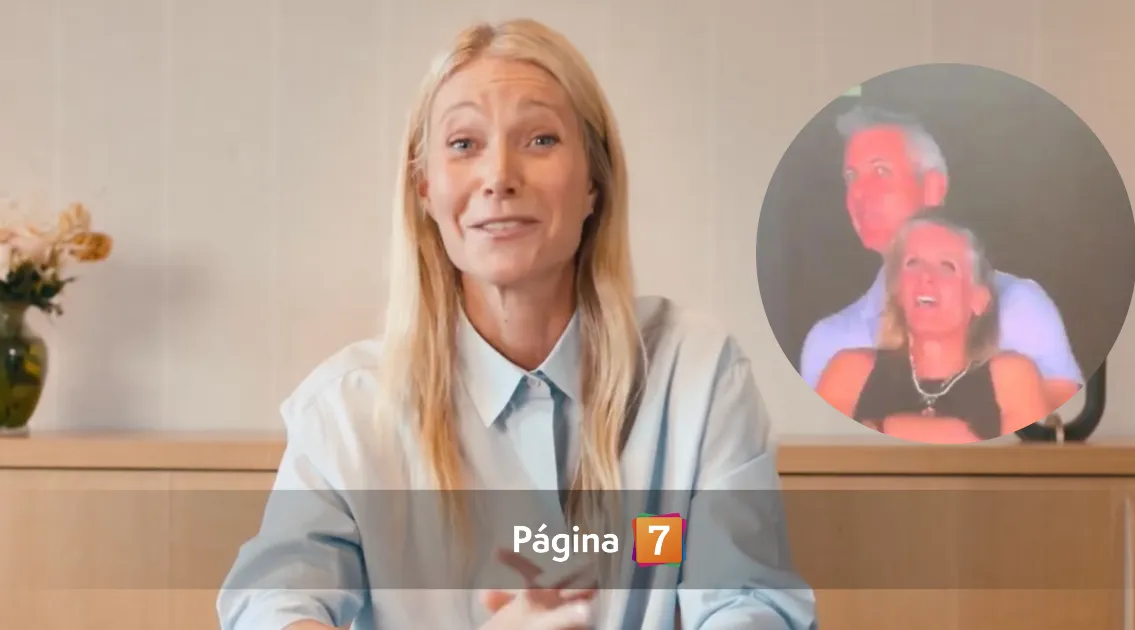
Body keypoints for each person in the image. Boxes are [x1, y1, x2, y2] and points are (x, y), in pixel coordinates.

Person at [216, 18, 817, 630]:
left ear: (594, 183)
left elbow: (749, 602)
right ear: (425, 189)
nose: (499, 177)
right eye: (463, 144)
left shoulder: (698, 375)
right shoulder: (345, 411)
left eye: (540, 140)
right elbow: (273, 603)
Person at [797, 104, 1083, 412]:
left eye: (881, 172)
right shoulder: (831, 340)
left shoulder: (1018, 305)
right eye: (852, 177)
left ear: (933, 188)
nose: (859, 193)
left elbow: (1059, 425)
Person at [815, 215, 1051, 443]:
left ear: (979, 300)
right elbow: (821, 456)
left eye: (947, 266)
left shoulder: (1011, 376)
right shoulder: (851, 370)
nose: (925, 276)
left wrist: (880, 428)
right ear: (898, 291)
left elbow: (1025, 462)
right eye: (912, 263)